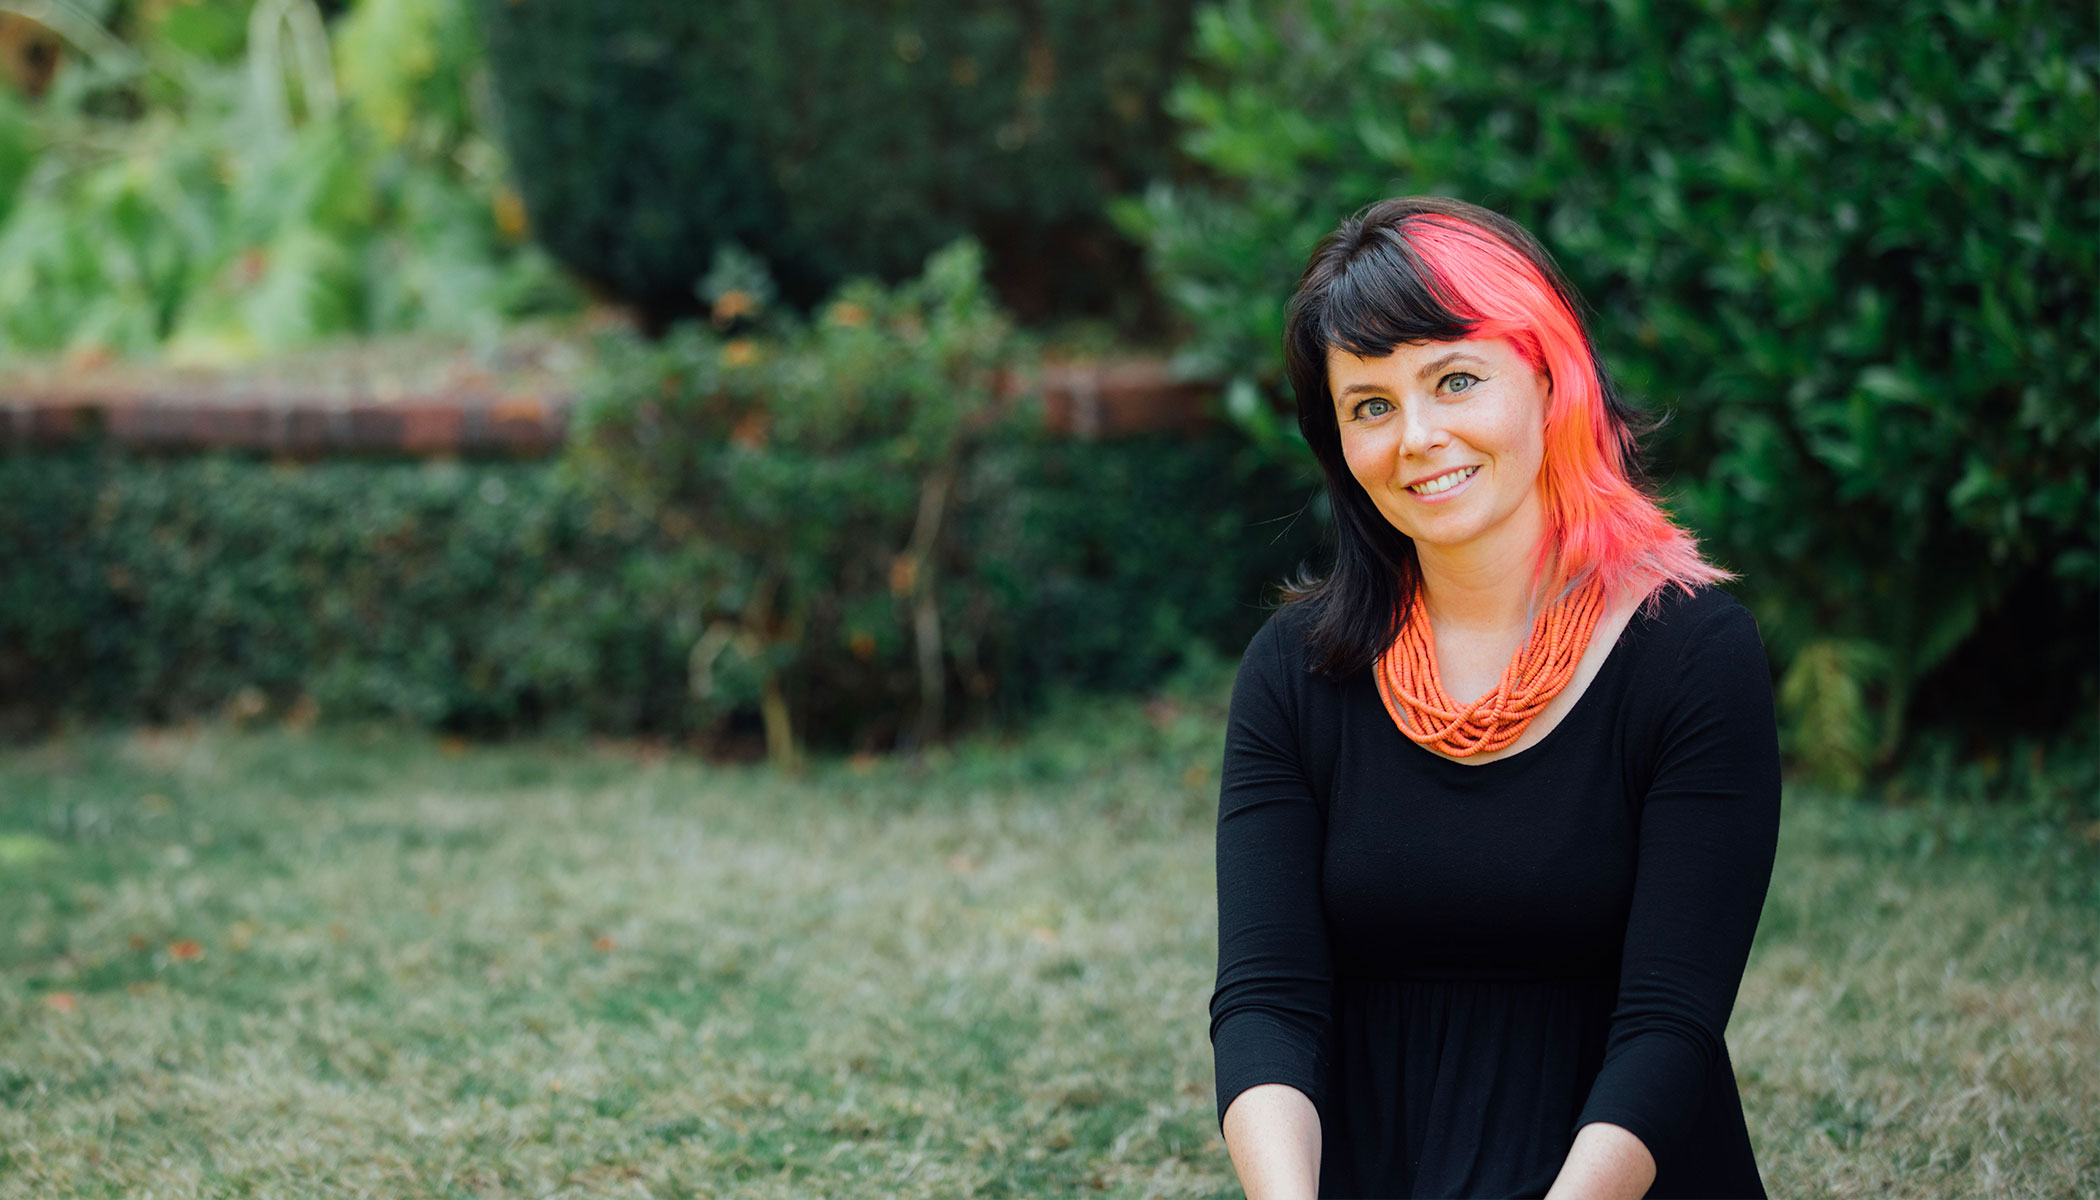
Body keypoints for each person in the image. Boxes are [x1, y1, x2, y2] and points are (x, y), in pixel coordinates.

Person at [1210, 196, 1781, 1199]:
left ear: (1550, 378)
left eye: (1455, 378)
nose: (1418, 436)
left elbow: (1670, 1024)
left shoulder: (1693, 652)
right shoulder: (1292, 671)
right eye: (1371, 405)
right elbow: (1267, 1004)